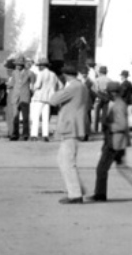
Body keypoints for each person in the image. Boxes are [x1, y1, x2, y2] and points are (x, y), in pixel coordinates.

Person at [92, 81, 132, 203]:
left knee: (101, 169)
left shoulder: (118, 105)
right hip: (119, 141)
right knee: (121, 166)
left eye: (108, 92)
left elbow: (121, 124)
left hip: (114, 141)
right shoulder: (119, 103)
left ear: (112, 93)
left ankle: (100, 195)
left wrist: (108, 125)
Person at [48, 65, 91, 204]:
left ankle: (75, 194)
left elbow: (53, 100)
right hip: (75, 125)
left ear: (65, 75)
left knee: (67, 161)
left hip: (70, 126)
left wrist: (60, 88)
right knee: (63, 160)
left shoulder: (72, 87)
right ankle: (78, 188)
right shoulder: (81, 86)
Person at [32, 58, 60, 141]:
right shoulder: (53, 74)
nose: (38, 67)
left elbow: (37, 85)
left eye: (39, 66)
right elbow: (59, 85)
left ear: (43, 66)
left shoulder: (41, 74)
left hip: (39, 98)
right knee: (45, 117)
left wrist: (33, 88)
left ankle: (34, 135)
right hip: (48, 99)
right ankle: (45, 135)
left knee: (36, 117)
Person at [6, 57, 34, 141]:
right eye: (16, 65)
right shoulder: (14, 73)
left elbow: (33, 84)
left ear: (23, 65)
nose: (18, 66)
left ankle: (25, 134)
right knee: (15, 116)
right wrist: (8, 85)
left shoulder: (29, 73)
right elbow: (12, 83)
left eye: (20, 65)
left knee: (25, 117)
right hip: (15, 96)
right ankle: (15, 134)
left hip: (25, 96)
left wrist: (30, 94)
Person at [92, 66, 113, 133]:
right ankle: (103, 129)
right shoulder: (109, 80)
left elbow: (95, 90)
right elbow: (111, 90)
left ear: (100, 72)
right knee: (104, 114)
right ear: (106, 72)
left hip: (99, 97)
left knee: (96, 115)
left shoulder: (97, 80)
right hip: (107, 98)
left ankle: (95, 129)